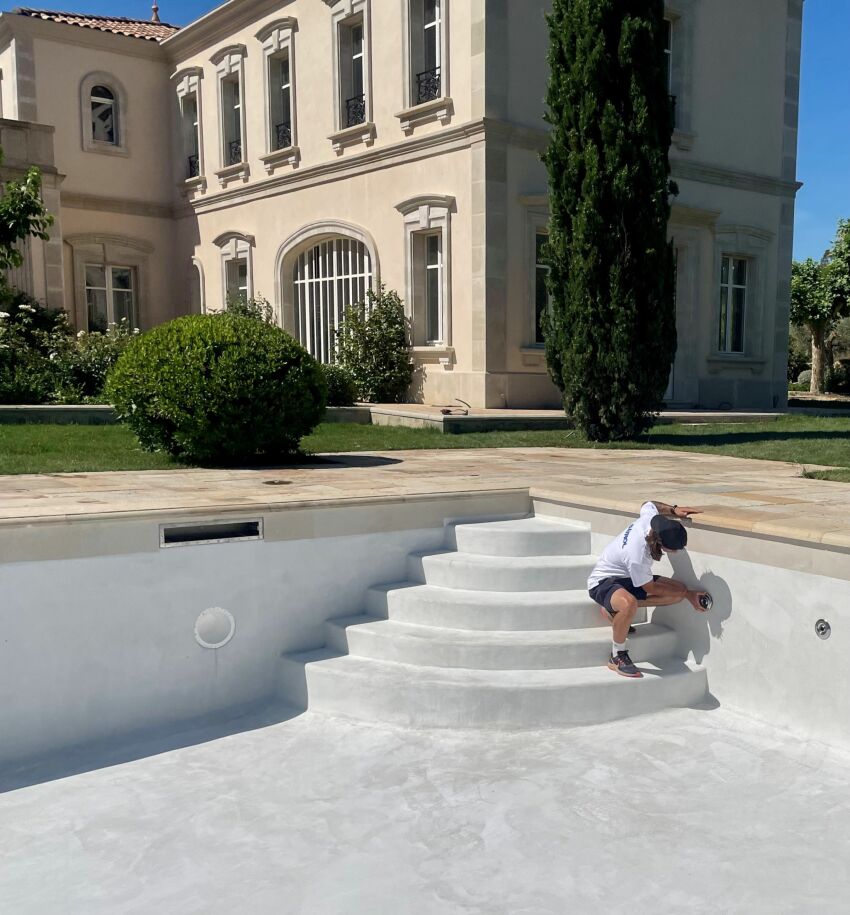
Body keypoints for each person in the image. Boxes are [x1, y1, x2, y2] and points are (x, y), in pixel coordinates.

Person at [587, 500, 711, 679]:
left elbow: (649, 503)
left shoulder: (651, 519)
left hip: (626, 578)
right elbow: (649, 587)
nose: (676, 552)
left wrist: (674, 510)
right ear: (662, 545)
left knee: (677, 591)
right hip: (602, 582)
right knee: (630, 604)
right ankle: (617, 655)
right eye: (674, 550)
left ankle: (615, 611)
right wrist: (687, 595)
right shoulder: (636, 554)